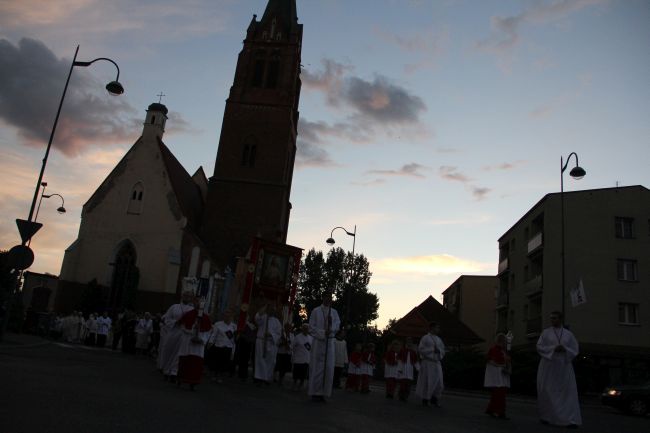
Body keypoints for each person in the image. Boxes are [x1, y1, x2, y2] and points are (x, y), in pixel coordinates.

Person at [536, 311, 582, 428]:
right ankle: (547, 416)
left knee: (567, 392)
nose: (552, 321)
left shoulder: (568, 334)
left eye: (555, 318)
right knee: (547, 390)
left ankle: (569, 419)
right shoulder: (545, 333)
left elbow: (575, 349)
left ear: (561, 319)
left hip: (564, 366)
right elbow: (539, 347)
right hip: (549, 366)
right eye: (551, 318)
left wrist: (565, 349)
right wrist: (553, 349)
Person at [308, 292, 341, 402]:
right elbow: (311, 328)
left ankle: (323, 393)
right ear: (323, 297)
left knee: (328, 368)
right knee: (317, 367)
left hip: (329, 343)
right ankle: (314, 392)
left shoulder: (334, 312)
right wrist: (322, 333)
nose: (328, 299)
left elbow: (337, 325)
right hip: (319, 343)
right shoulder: (316, 311)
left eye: (330, 298)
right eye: (326, 297)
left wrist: (331, 328)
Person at [159, 291, 195, 381]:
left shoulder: (192, 309)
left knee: (179, 353)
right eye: (185, 295)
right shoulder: (174, 307)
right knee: (168, 350)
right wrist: (175, 322)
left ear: (191, 298)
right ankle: (166, 370)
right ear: (182, 296)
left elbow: (194, 322)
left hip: (184, 333)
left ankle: (174, 372)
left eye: (189, 296)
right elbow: (167, 318)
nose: (187, 297)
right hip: (173, 331)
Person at [176, 300, 212, 390]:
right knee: (185, 360)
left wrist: (202, 339)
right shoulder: (188, 314)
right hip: (188, 341)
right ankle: (180, 380)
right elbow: (182, 326)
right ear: (195, 305)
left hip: (199, 346)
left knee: (196, 363)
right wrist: (192, 331)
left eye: (201, 305)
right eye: (197, 304)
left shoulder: (206, 318)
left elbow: (208, 331)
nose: (199, 306)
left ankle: (193, 383)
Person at [416, 322, 445, 407]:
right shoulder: (425, 338)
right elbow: (421, 349)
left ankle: (434, 398)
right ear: (432, 328)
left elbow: (442, 350)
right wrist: (432, 350)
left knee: (439, 383)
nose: (438, 330)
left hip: (436, 363)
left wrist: (439, 351)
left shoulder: (439, 339)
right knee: (427, 381)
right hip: (428, 363)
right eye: (437, 328)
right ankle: (425, 399)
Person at [484, 333, 511, 419]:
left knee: (499, 394)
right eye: (505, 342)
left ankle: (493, 410)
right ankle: (498, 412)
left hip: (502, 375)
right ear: (501, 341)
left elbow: (506, 361)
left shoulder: (503, 351)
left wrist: (507, 366)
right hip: (497, 376)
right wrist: (500, 366)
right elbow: (490, 361)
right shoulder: (493, 349)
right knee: (498, 394)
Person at [254, 304, 282, 385]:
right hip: (261, 342)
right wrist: (265, 306)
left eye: (273, 310)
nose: (272, 311)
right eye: (270, 309)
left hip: (271, 343)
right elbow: (257, 318)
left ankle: (266, 377)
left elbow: (278, 333)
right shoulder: (263, 317)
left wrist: (271, 335)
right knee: (260, 360)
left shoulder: (277, 322)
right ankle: (259, 378)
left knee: (271, 361)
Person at [207, 310, 237, 383]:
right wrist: (210, 343)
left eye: (229, 316)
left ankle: (220, 375)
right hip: (218, 345)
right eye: (225, 316)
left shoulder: (234, 326)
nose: (227, 317)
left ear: (231, 317)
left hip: (228, 347)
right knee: (217, 361)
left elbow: (234, 339)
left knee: (225, 362)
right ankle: (215, 374)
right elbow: (213, 335)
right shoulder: (218, 324)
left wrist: (233, 349)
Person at [291, 323, 313, 391]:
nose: (306, 330)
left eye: (307, 329)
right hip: (298, 359)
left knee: (303, 374)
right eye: (304, 328)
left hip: (306, 359)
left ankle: (301, 385)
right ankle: (294, 384)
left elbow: (312, 348)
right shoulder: (297, 337)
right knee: (296, 374)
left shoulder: (311, 338)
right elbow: (293, 346)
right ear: (302, 329)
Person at [235, 314, 256, 381]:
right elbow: (240, 333)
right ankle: (241, 373)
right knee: (242, 359)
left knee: (245, 359)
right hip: (243, 343)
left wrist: (249, 339)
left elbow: (253, 336)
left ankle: (244, 373)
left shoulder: (252, 326)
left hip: (248, 344)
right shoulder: (243, 325)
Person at [397, 337, 418, 402]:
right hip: (403, 369)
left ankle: (405, 396)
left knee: (408, 385)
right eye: (408, 342)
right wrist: (400, 368)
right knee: (403, 384)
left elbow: (415, 361)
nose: (409, 344)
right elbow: (399, 360)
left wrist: (418, 368)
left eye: (410, 342)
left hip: (410, 370)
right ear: (406, 343)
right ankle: (401, 396)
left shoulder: (413, 352)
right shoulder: (402, 350)